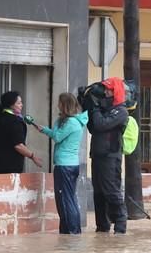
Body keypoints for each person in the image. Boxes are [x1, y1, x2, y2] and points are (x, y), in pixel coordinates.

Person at [35, 93, 88, 235]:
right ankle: (68, 231)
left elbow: (57, 136)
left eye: (59, 103)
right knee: (68, 198)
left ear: (64, 105)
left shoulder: (71, 122)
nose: (57, 105)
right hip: (69, 165)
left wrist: (46, 129)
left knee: (65, 200)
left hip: (65, 166)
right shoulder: (73, 121)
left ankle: (71, 231)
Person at [87, 77, 129, 234]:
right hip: (98, 155)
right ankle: (102, 227)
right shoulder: (104, 109)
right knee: (98, 192)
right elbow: (93, 127)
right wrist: (89, 104)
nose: (105, 92)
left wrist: (96, 108)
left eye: (109, 90)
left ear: (116, 91)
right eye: (104, 89)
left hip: (110, 157)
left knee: (111, 191)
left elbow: (101, 124)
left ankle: (120, 226)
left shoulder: (121, 111)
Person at [0, 91, 42, 174]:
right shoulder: (14, 121)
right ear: (11, 105)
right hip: (10, 165)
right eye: (19, 103)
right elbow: (18, 145)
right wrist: (32, 156)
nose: (21, 105)